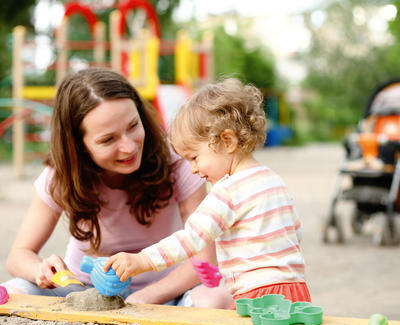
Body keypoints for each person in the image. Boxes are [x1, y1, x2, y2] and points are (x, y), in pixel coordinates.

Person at [2, 67, 232, 308]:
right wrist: (40, 269)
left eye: (133, 126)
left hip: (166, 289)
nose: (129, 147)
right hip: (82, 290)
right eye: (108, 139)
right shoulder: (60, 177)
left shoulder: (179, 161)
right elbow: (19, 255)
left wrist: (146, 297)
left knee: (216, 298)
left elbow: (205, 261)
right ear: (78, 146)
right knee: (13, 291)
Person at [104, 78, 311, 308]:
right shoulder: (273, 180)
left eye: (194, 157)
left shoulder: (227, 190)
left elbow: (192, 238)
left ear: (227, 140)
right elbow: (294, 231)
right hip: (296, 290)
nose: (193, 168)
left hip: (255, 294)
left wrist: (143, 260)